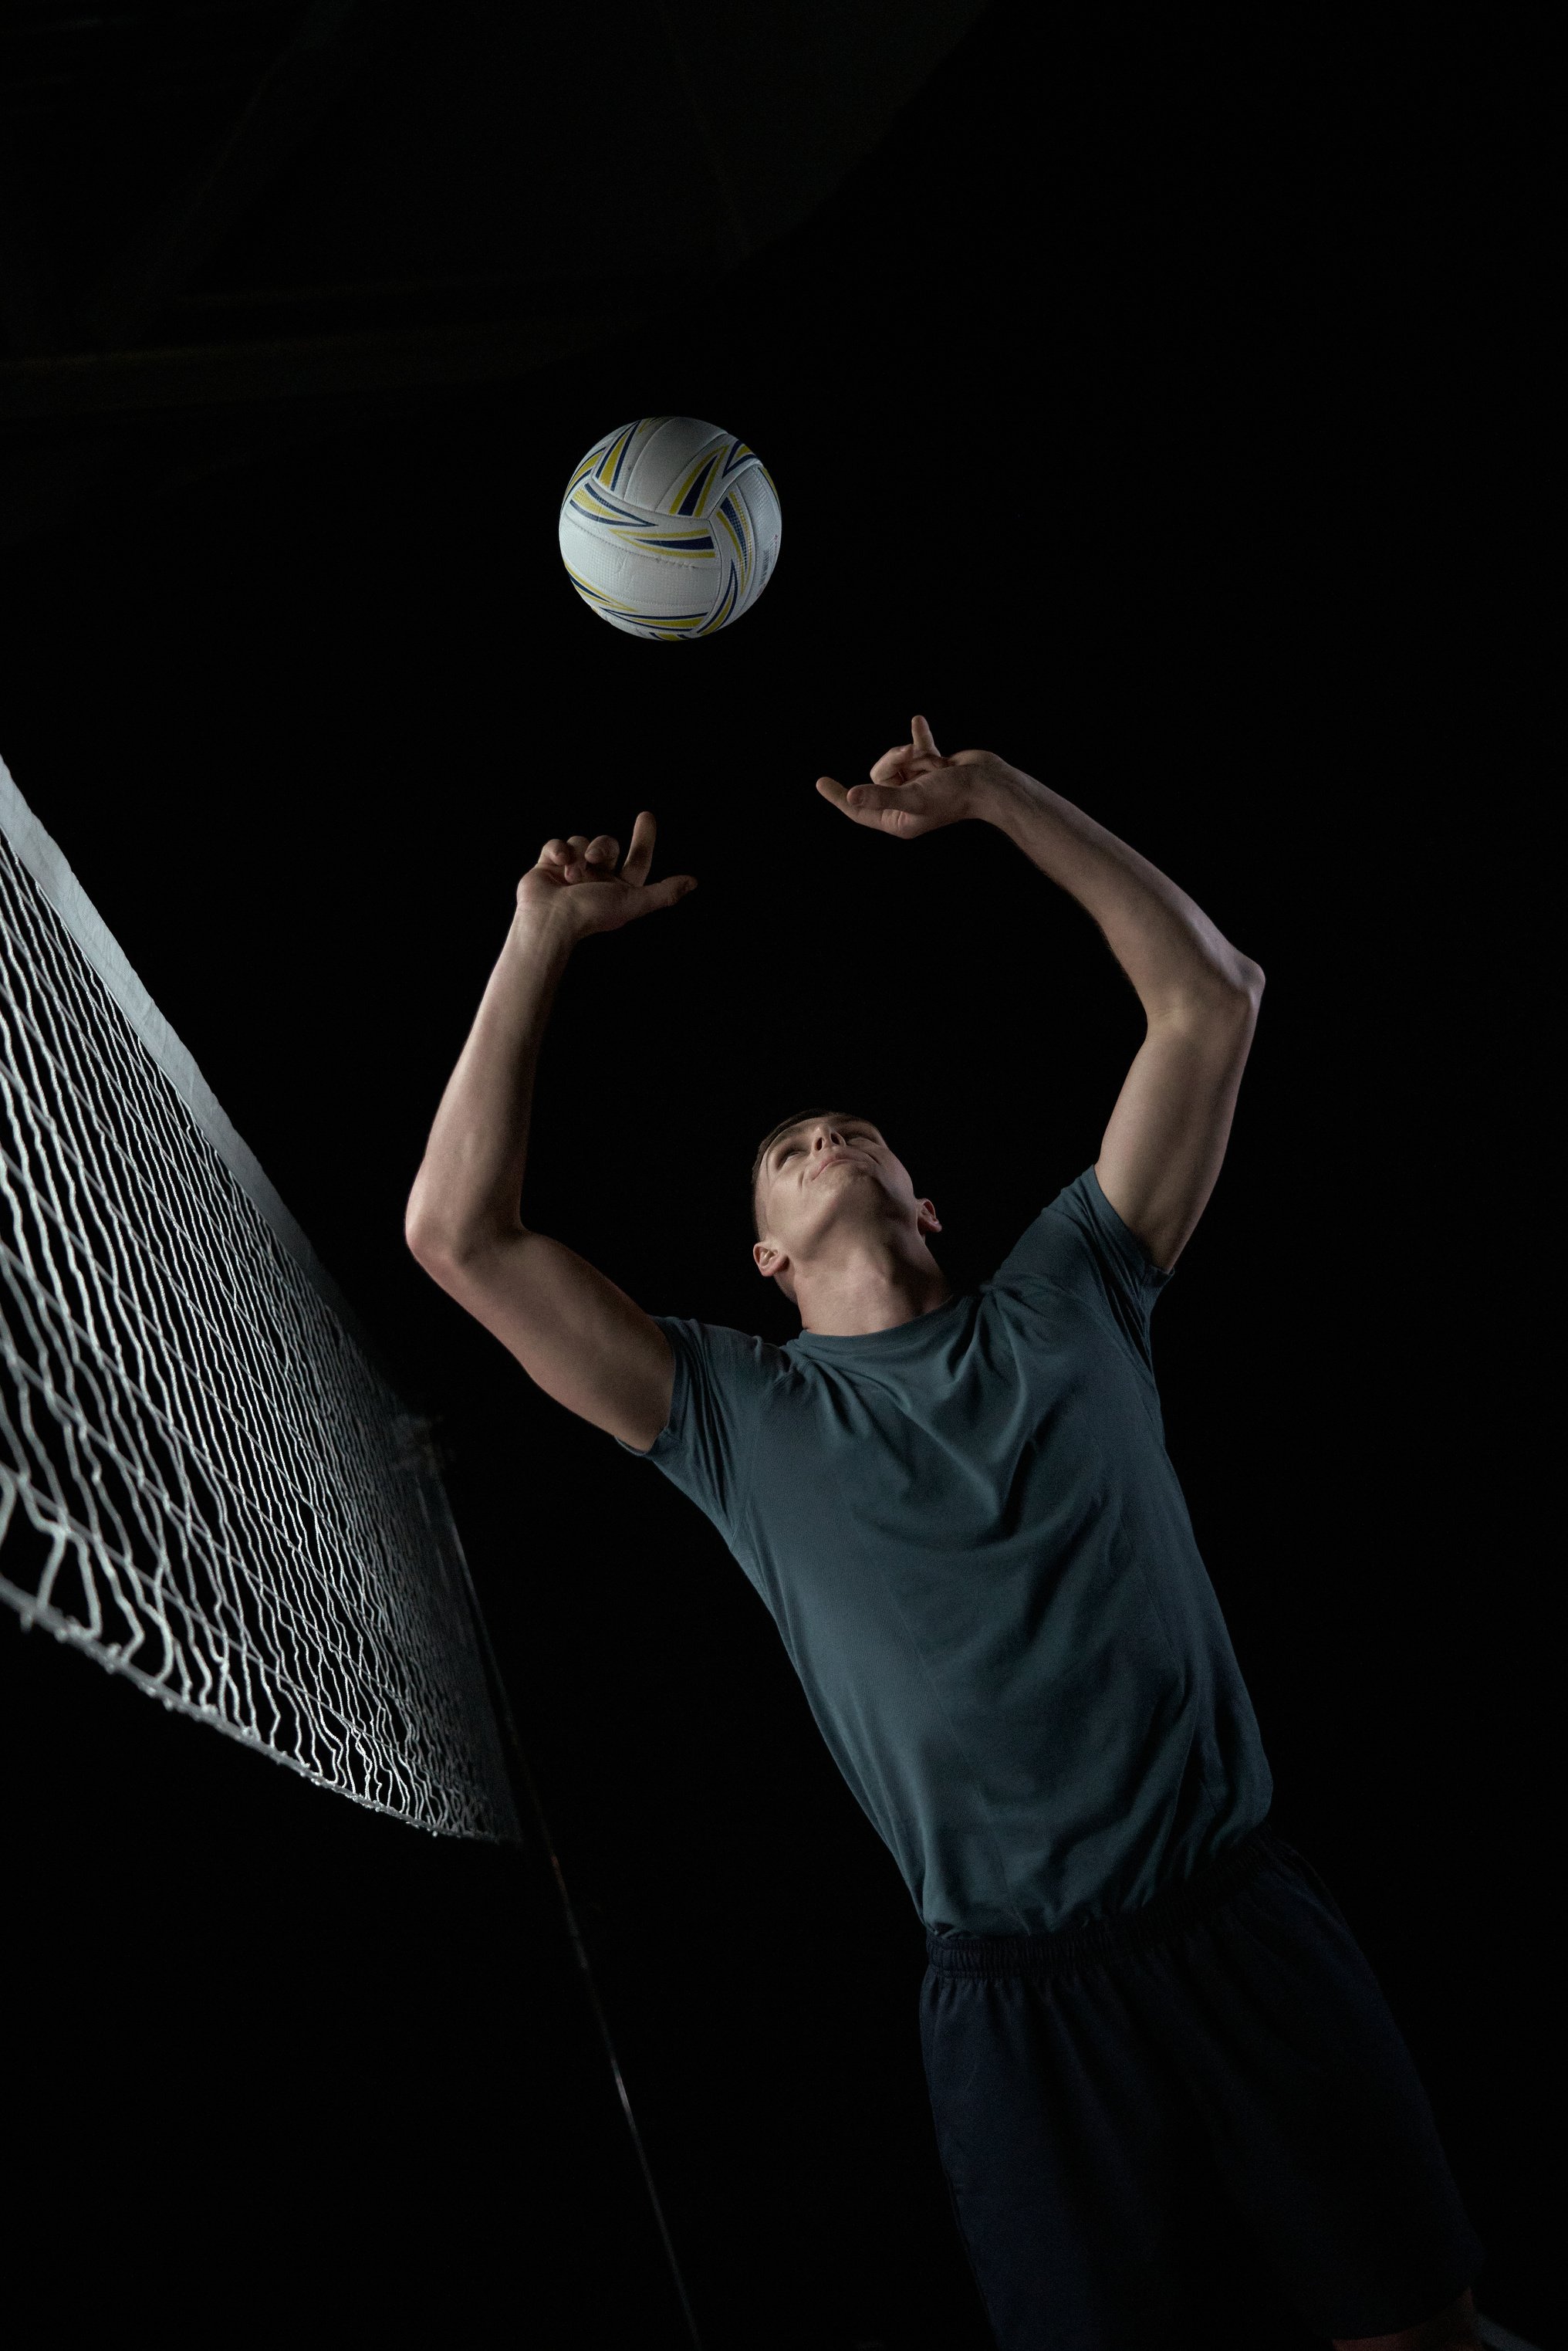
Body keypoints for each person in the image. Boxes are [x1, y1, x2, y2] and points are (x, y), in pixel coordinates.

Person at [404, 719, 1484, 2351]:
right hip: (1016, 1995)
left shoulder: (1074, 1289)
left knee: (1419, 2331)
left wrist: (993, 797)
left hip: (1236, 1912)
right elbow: (457, 1232)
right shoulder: (727, 1409)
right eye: (782, 1150)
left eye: (854, 1133)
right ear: (762, 1259)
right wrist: (537, 933)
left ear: (926, 1200)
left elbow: (1214, 997)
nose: (821, 1140)